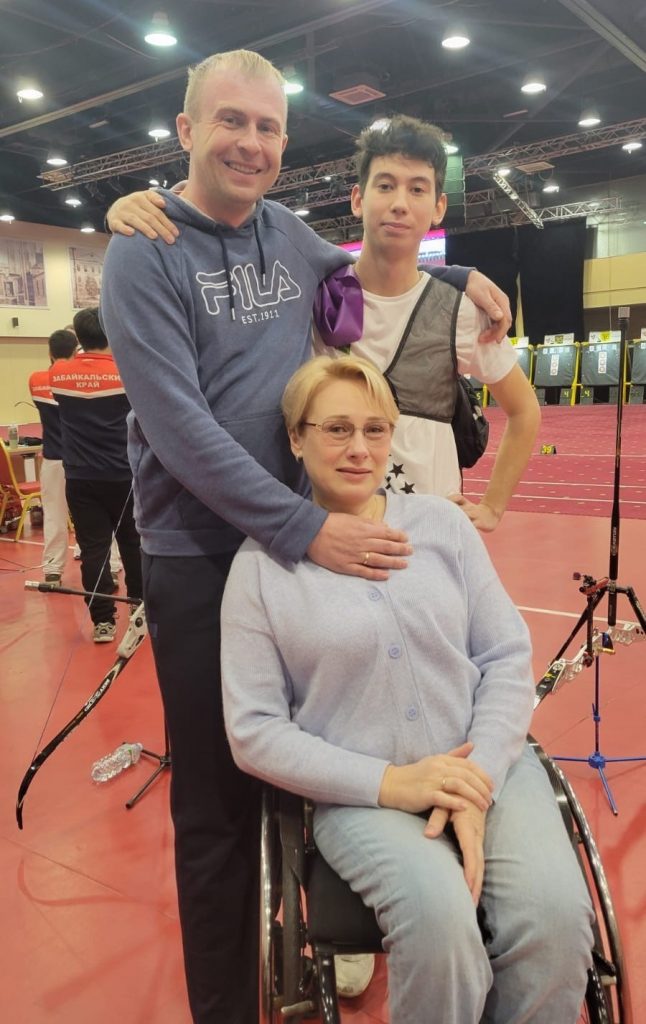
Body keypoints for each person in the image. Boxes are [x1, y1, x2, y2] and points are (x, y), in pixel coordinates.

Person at [100, 48, 515, 1023]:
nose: (250, 142)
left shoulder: (285, 233)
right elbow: (179, 428)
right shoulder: (144, 251)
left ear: (284, 141)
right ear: (187, 130)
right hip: (205, 558)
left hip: (297, 550)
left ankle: (349, 924)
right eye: (230, 121)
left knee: (323, 752)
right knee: (217, 809)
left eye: (268, 127)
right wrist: (306, 529)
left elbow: (370, 270)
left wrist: (461, 274)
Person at [221, 353, 594, 1024]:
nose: (359, 449)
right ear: (297, 439)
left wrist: (477, 781)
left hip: (489, 767)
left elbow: (506, 654)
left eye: (376, 429)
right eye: (336, 429)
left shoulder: (443, 527)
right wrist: (393, 783)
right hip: (365, 796)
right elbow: (254, 732)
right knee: (439, 929)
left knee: (556, 921)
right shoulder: (260, 569)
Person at [313, 114, 541, 532]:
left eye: (417, 189)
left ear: (438, 207)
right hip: (339, 534)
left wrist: (492, 507)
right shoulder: (319, 299)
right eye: (385, 186)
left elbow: (525, 410)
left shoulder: (461, 310)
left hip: (430, 538)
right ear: (358, 198)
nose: (400, 203)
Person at [49, 307, 142, 642]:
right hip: (123, 474)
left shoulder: (58, 373)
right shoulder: (126, 372)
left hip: (80, 476)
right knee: (133, 544)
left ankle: (103, 622)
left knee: (93, 549)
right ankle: (139, 608)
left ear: (79, 337)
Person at [28, 328, 77, 585]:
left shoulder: (36, 380)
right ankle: (110, 566)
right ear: (75, 351)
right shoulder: (81, 382)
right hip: (83, 459)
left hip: (53, 459)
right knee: (99, 515)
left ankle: (53, 570)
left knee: (54, 515)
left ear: (50, 352)